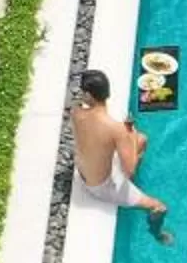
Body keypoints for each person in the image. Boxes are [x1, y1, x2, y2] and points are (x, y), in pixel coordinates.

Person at [71, 68, 169, 238]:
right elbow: (130, 168)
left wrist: (127, 135)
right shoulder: (116, 129)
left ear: (88, 96)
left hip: (85, 174)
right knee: (160, 207)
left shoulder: (76, 111)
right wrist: (128, 131)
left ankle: (129, 187)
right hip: (101, 188)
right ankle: (158, 234)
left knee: (142, 140)